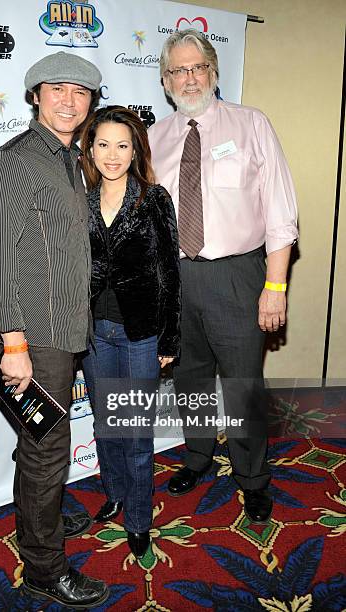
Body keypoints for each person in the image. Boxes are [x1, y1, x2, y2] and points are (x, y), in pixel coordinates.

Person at [0, 51, 109, 608]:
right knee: (46, 451)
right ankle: (44, 569)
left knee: (39, 443)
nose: (69, 101)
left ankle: (40, 521)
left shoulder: (69, 159)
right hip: (36, 336)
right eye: (56, 89)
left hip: (66, 329)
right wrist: (14, 344)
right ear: (34, 95)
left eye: (80, 93)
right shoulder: (13, 162)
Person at [148, 30, 298, 523]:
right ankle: (196, 458)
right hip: (176, 280)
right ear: (166, 82)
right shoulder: (154, 138)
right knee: (188, 378)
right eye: (178, 71)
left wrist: (274, 287)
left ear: (213, 72)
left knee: (242, 385)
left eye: (197, 68)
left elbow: (280, 212)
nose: (189, 78)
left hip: (237, 276)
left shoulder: (251, 123)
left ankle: (252, 478)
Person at [79, 106, 180, 558]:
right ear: (91, 149)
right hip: (93, 333)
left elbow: (169, 273)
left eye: (123, 145)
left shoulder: (154, 199)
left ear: (135, 148)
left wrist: (169, 339)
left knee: (136, 432)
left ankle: (139, 518)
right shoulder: (80, 202)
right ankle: (116, 492)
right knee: (106, 424)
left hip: (140, 334)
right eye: (103, 144)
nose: (112, 154)